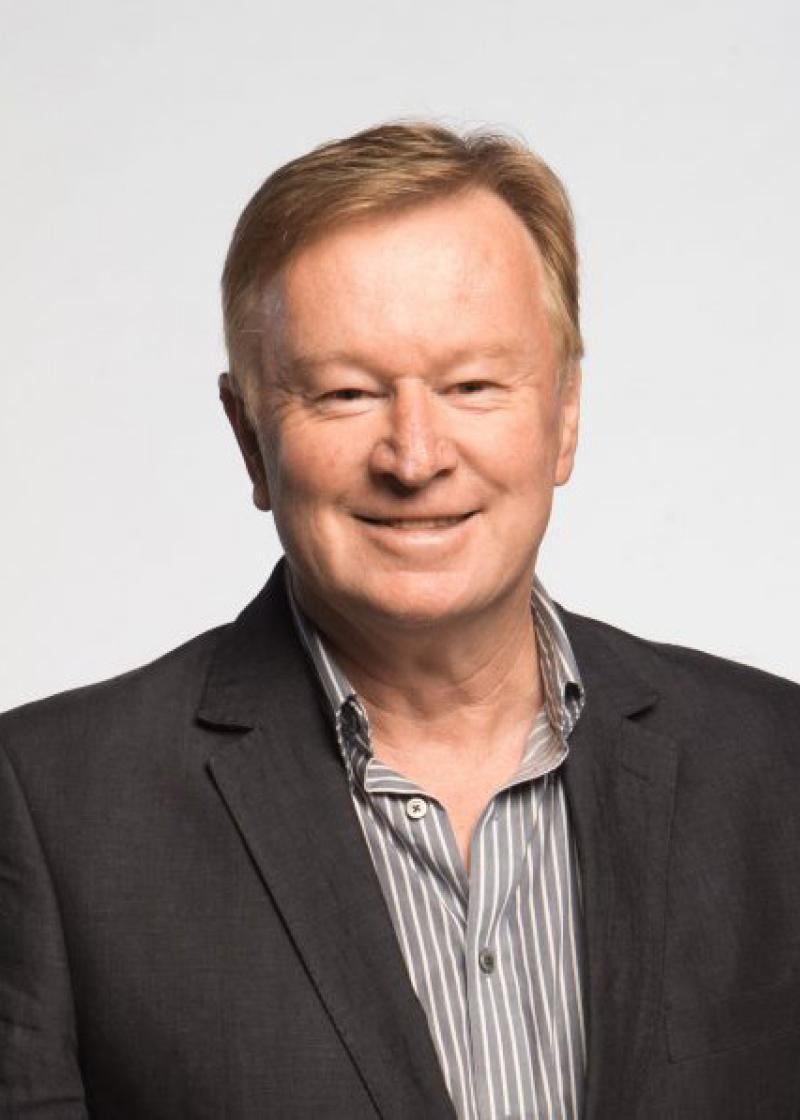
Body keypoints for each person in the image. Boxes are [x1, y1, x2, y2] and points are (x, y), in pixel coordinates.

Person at [1, 122, 798, 1120]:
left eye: (470, 385)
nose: (414, 455)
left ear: (563, 416)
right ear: (250, 441)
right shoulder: (49, 805)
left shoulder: (775, 767)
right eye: (344, 393)